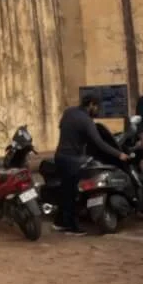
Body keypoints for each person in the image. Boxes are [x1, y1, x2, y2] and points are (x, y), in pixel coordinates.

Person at [55, 94, 126, 235]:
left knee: (65, 191)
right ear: (91, 105)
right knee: (74, 193)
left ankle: (60, 222)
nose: (97, 110)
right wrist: (119, 154)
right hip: (73, 160)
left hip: (60, 156)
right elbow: (99, 143)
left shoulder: (69, 112)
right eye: (97, 107)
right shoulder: (86, 121)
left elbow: (61, 126)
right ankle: (72, 227)